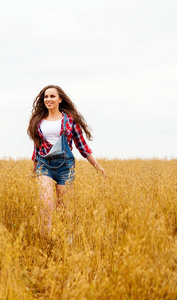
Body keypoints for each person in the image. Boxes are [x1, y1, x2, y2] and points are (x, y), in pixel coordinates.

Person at [27, 85, 106, 241]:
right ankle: (46, 242)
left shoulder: (69, 120)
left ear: (60, 99)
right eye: (46, 97)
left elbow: (82, 145)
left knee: (63, 208)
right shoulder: (39, 122)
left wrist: (97, 167)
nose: (48, 99)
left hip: (65, 166)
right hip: (45, 166)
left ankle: (68, 241)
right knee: (46, 205)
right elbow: (37, 148)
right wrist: (33, 170)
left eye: (52, 96)